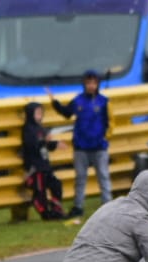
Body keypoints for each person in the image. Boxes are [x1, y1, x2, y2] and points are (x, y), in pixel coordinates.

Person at [47, 69, 111, 217]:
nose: (91, 86)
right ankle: (78, 206)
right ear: (84, 84)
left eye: (94, 83)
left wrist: (105, 137)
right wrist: (54, 102)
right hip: (81, 146)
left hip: (99, 146)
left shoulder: (104, 102)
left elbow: (110, 122)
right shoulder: (78, 101)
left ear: (98, 84)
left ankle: (107, 205)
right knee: (80, 178)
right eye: (88, 83)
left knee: (103, 176)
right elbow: (66, 113)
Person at [20, 102, 65, 220]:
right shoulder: (28, 129)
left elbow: (46, 145)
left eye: (41, 112)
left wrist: (55, 144)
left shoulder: (41, 128)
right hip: (36, 167)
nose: (40, 115)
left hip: (45, 165)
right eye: (37, 113)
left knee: (56, 185)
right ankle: (45, 213)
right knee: (40, 191)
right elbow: (32, 146)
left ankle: (56, 209)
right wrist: (44, 140)